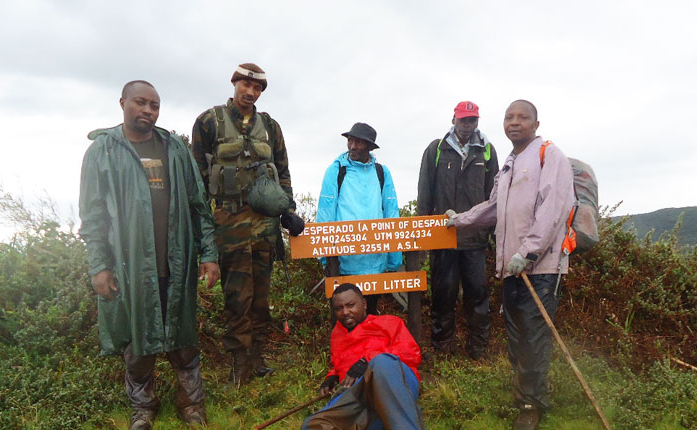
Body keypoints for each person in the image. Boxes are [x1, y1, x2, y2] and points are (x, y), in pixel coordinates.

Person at [79, 80, 221, 430]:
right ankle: (142, 407)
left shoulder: (174, 148)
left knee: (184, 336)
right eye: (141, 103)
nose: (148, 110)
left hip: (177, 260)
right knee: (137, 341)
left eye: (154, 105)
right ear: (123, 102)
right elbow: (93, 216)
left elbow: (199, 205)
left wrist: (209, 254)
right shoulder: (104, 151)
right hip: (129, 266)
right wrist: (99, 265)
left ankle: (191, 403)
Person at [446, 100, 574, 430]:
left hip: (541, 268)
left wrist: (529, 252)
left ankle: (530, 406)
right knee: (517, 338)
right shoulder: (510, 163)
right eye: (509, 117)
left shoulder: (550, 155)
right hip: (511, 269)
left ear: (536, 123)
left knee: (534, 336)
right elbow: (494, 208)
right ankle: (527, 397)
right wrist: (461, 220)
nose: (514, 122)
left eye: (522, 117)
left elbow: (554, 209)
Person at [191, 63, 304, 387]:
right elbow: (196, 178)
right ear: (235, 83)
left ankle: (257, 359)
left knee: (260, 298)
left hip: (265, 226)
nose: (251, 92)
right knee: (237, 298)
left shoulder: (270, 126)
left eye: (257, 88)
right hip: (229, 222)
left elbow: (282, 171)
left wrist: (287, 209)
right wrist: (202, 228)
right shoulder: (209, 121)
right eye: (246, 85)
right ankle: (238, 366)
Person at [301, 284, 436, 430]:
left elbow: (411, 354)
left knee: (381, 363)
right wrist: (332, 377)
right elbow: (340, 365)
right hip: (362, 402)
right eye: (339, 308)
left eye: (350, 305)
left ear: (364, 304)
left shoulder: (390, 322)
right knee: (312, 425)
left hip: (393, 388)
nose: (345, 312)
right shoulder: (337, 334)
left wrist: (368, 360)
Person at [417, 101, 499, 359]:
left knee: (477, 295)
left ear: (477, 121)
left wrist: (495, 233)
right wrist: (424, 233)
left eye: (472, 120)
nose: (467, 125)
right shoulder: (436, 149)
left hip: (475, 238)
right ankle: (442, 349)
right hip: (443, 238)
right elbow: (424, 193)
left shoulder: (486, 150)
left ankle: (478, 350)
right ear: (453, 120)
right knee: (443, 294)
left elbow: (494, 195)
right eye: (463, 120)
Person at [316, 123, 401, 315]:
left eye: (359, 142)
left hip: (376, 260)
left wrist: (394, 258)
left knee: (370, 312)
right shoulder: (336, 171)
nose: (353, 146)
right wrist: (325, 257)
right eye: (350, 140)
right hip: (345, 261)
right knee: (347, 315)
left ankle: (369, 346)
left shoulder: (382, 172)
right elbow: (325, 212)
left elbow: (391, 212)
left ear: (369, 147)